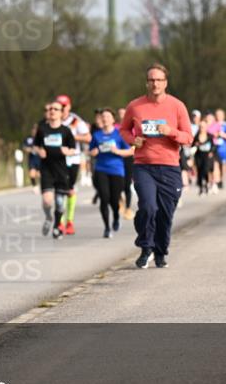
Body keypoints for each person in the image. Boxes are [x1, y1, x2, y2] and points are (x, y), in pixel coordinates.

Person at [119, 63, 193, 269]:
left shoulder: (177, 106)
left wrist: (171, 131)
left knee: (165, 214)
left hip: (169, 167)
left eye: (159, 80)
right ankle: (146, 247)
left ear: (165, 83)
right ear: (146, 83)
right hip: (144, 166)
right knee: (148, 207)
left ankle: (160, 252)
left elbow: (188, 137)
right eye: (151, 80)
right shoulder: (135, 106)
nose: (155, 83)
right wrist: (133, 140)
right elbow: (124, 130)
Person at [33, 101, 76, 240]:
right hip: (46, 169)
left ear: (61, 113)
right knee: (47, 201)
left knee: (59, 203)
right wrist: (39, 151)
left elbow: (73, 149)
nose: (52, 111)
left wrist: (67, 151)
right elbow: (35, 146)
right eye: (50, 108)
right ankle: (48, 217)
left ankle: (58, 226)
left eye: (55, 109)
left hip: (61, 170)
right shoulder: (42, 129)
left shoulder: (66, 130)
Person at [89, 107, 133, 238]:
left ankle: (116, 217)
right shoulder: (97, 135)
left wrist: (117, 151)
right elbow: (91, 151)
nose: (105, 118)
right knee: (104, 198)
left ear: (113, 119)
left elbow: (130, 151)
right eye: (103, 117)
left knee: (114, 199)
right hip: (101, 169)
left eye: (108, 116)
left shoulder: (119, 134)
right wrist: (94, 152)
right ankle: (107, 228)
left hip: (117, 170)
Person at [56, 94, 91, 235]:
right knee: (59, 190)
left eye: (64, 106)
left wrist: (71, 136)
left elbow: (88, 137)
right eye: (59, 106)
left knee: (69, 190)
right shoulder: (53, 119)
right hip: (57, 159)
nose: (61, 109)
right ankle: (59, 222)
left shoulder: (76, 121)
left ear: (69, 106)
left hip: (73, 159)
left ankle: (69, 221)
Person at [212, 109, 226, 190]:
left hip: (223, 149)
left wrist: (222, 135)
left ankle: (221, 180)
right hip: (214, 148)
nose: (218, 116)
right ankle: (217, 181)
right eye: (217, 114)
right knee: (216, 164)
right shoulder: (213, 124)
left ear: (224, 116)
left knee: (223, 165)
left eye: (220, 115)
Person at [193, 118, 215, 194]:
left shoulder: (210, 136)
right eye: (200, 126)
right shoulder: (196, 136)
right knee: (199, 170)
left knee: (206, 170)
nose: (202, 128)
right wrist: (195, 144)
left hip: (207, 155)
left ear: (206, 127)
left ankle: (207, 183)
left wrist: (211, 152)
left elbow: (213, 146)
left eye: (203, 126)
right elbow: (192, 145)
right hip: (199, 155)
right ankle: (200, 186)